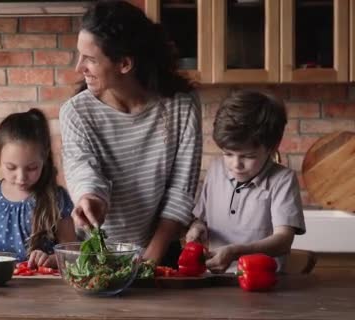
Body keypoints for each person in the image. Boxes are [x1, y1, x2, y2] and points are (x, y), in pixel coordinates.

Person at [59, 0, 202, 266]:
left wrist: (151, 259)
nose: (79, 67)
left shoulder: (181, 104)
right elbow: (82, 168)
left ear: (124, 63)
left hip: (161, 253)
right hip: (98, 255)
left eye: (90, 58)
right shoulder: (75, 112)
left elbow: (181, 190)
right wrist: (90, 198)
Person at [185, 90, 306, 273]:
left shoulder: (282, 180)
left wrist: (236, 252)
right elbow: (200, 219)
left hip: (263, 283)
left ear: (272, 147)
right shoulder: (216, 169)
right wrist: (197, 228)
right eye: (228, 154)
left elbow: (283, 240)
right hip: (214, 280)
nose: (236, 165)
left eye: (248, 156)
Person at [0, 109, 76, 268]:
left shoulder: (57, 198)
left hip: (41, 286)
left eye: (31, 168)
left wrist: (52, 260)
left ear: (44, 158)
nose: (21, 177)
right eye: (11, 167)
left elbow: (72, 252)